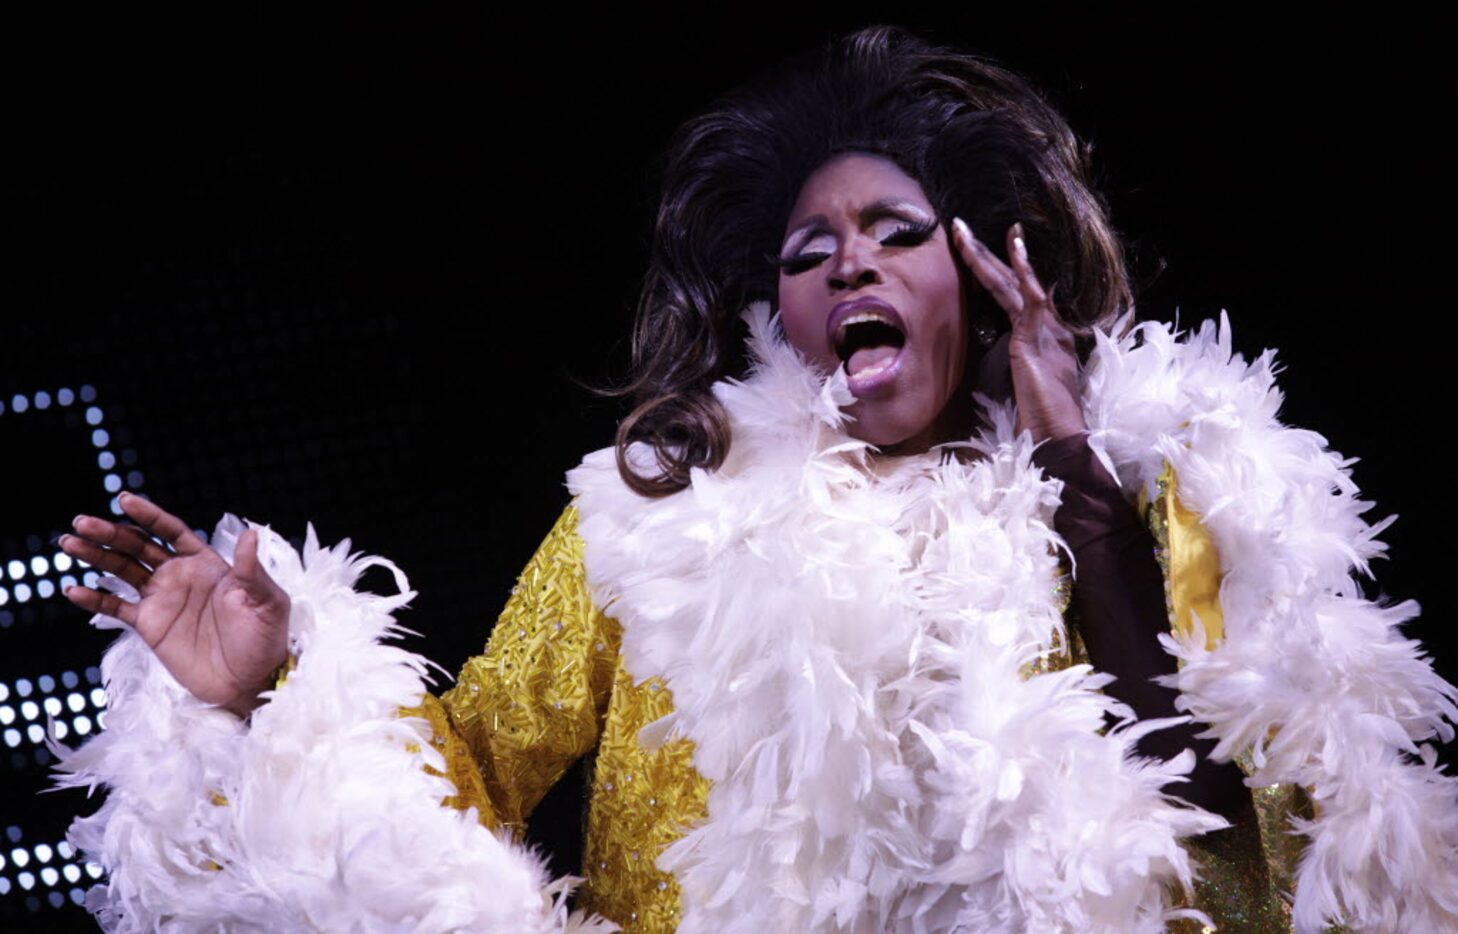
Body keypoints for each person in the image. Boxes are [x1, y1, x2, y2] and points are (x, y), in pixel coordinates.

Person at [50, 24, 1458, 934]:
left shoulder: (1139, 506)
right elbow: (471, 766)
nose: (845, 261)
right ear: (772, 315)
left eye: (891, 231)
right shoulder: (654, 510)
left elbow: (1231, 856)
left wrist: (1076, 478)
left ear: (973, 273)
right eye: (804, 251)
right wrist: (273, 691)